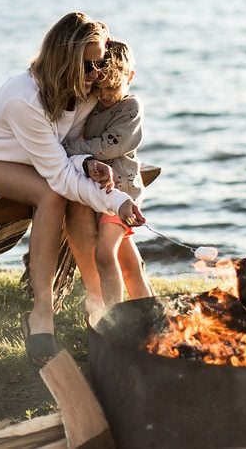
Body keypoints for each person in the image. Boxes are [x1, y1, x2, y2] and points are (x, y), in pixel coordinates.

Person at [0, 12, 146, 365]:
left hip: (47, 158)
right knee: (52, 195)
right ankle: (41, 313)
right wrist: (119, 200)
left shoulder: (87, 89)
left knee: (78, 201)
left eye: (101, 63)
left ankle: (99, 305)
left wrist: (90, 165)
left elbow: (69, 150)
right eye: (90, 66)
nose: (98, 75)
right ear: (66, 63)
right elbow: (60, 176)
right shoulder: (25, 98)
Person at [63, 40, 154, 318]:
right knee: (128, 260)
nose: (104, 96)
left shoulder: (130, 107)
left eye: (111, 88)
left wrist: (70, 150)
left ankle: (115, 320)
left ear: (130, 78)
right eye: (99, 88)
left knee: (105, 253)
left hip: (122, 192)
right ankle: (151, 315)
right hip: (99, 193)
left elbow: (110, 145)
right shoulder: (92, 104)